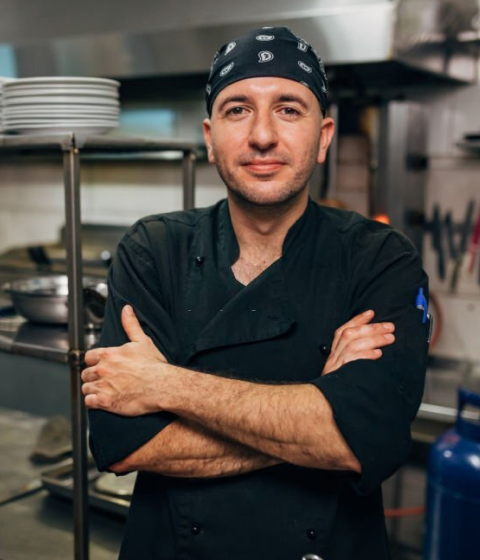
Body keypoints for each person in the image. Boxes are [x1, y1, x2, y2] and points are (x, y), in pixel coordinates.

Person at [82, 27, 430, 560]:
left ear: (324, 137)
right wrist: (320, 414)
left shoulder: (380, 258)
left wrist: (165, 385)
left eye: (288, 109)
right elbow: (122, 444)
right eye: (238, 110)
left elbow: (370, 440)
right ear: (209, 137)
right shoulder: (154, 250)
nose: (262, 135)